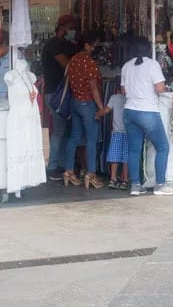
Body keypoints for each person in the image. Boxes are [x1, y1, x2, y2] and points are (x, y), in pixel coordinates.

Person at [121, 36, 173, 196]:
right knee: (162, 147)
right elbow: (160, 88)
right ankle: (160, 185)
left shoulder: (126, 66)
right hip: (147, 111)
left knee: (134, 150)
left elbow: (124, 91)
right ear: (148, 49)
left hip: (129, 111)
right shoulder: (152, 65)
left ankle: (135, 186)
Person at [62, 37, 107, 188]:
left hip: (75, 102)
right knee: (91, 140)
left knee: (74, 137)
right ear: (86, 44)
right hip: (87, 103)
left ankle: (68, 171)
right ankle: (91, 174)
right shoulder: (89, 62)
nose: (93, 49)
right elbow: (94, 87)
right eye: (92, 46)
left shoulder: (73, 60)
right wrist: (101, 108)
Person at [41, 14, 78, 181]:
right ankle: (53, 167)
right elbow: (66, 64)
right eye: (71, 27)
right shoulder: (53, 45)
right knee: (59, 131)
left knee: (64, 131)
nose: (73, 31)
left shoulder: (65, 44)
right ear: (62, 27)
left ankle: (62, 165)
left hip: (61, 93)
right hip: (55, 94)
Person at [102, 92, 130, 190]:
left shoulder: (114, 97)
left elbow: (106, 110)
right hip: (128, 132)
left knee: (114, 156)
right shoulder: (131, 97)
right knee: (126, 158)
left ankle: (113, 179)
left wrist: (97, 114)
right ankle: (125, 180)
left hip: (117, 131)